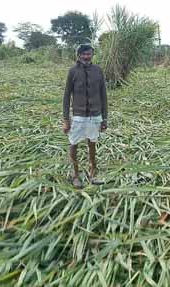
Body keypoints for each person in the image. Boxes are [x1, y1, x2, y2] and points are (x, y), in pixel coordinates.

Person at [62, 44, 108, 189]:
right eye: (84, 54)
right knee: (74, 143)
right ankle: (75, 175)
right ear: (79, 55)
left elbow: (103, 95)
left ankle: (92, 174)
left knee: (92, 143)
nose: (87, 56)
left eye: (89, 54)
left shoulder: (98, 71)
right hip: (78, 116)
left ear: (92, 55)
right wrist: (65, 119)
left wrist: (104, 118)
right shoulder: (73, 72)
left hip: (95, 115)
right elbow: (66, 96)